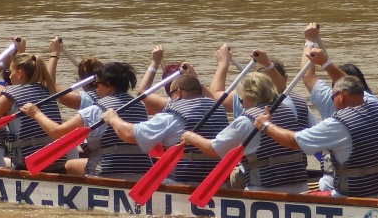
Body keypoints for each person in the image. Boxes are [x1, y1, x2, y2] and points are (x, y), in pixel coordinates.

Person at [253, 29, 378, 198]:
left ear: (341, 96)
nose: (331, 100)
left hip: (352, 198)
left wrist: (266, 125)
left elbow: (294, 141)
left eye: (332, 95)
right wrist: (325, 62)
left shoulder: (338, 124)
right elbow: (352, 83)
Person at [20, 61, 153, 180]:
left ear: (108, 86)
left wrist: (36, 114)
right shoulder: (141, 107)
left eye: (97, 84)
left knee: (68, 165)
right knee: (76, 163)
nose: (95, 88)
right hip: (143, 170)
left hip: (107, 170)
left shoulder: (95, 110)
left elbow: (57, 133)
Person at [182, 72, 309, 193]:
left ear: (250, 97)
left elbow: (213, 150)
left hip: (265, 190)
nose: (241, 105)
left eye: (241, 100)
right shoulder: (288, 111)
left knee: (235, 174)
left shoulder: (247, 120)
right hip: (301, 187)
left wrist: (192, 137)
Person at [100, 72, 228, 185]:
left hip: (184, 182)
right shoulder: (218, 110)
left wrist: (113, 119)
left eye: (170, 94)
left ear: (178, 93)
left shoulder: (172, 116)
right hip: (217, 182)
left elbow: (130, 135)